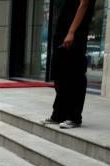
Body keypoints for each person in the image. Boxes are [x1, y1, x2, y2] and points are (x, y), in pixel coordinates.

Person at [44, 0, 96, 129]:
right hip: (62, 31)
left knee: (75, 74)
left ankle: (74, 117)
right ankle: (59, 114)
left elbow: (84, 4)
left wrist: (72, 32)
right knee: (60, 74)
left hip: (75, 32)